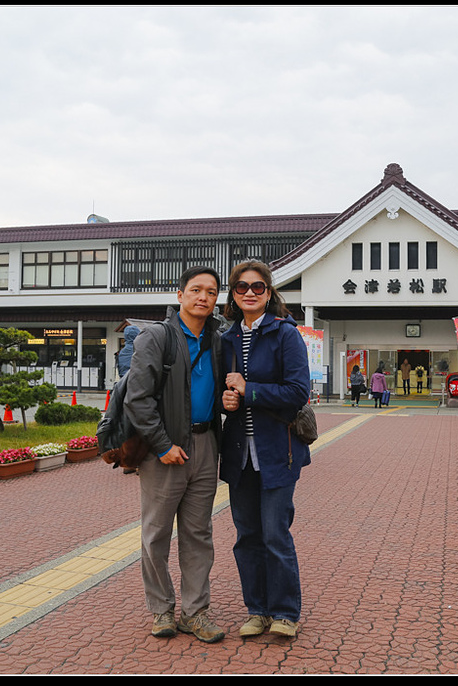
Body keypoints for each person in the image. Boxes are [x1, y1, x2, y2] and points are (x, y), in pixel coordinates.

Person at [124, 265, 226, 644]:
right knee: (156, 533)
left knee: (199, 534)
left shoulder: (220, 338)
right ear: (179, 294)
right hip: (164, 449)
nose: (203, 297)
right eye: (196, 290)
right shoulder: (157, 337)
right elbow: (138, 398)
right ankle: (162, 609)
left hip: (205, 445)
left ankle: (195, 613)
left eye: (211, 292)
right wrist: (163, 444)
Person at [220, 260, 312, 639]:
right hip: (240, 454)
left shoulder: (285, 334)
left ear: (269, 293)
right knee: (246, 536)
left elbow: (297, 393)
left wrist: (249, 389)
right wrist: (226, 400)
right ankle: (257, 609)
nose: (250, 293)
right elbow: (223, 393)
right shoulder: (225, 339)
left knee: (276, 534)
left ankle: (285, 612)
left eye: (258, 287)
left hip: (278, 452)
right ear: (233, 295)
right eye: (242, 288)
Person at [116, 324, 143, 474]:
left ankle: (127, 463)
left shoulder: (121, 353)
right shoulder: (139, 350)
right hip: (137, 392)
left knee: (126, 428)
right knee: (140, 428)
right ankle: (139, 463)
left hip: (122, 393)